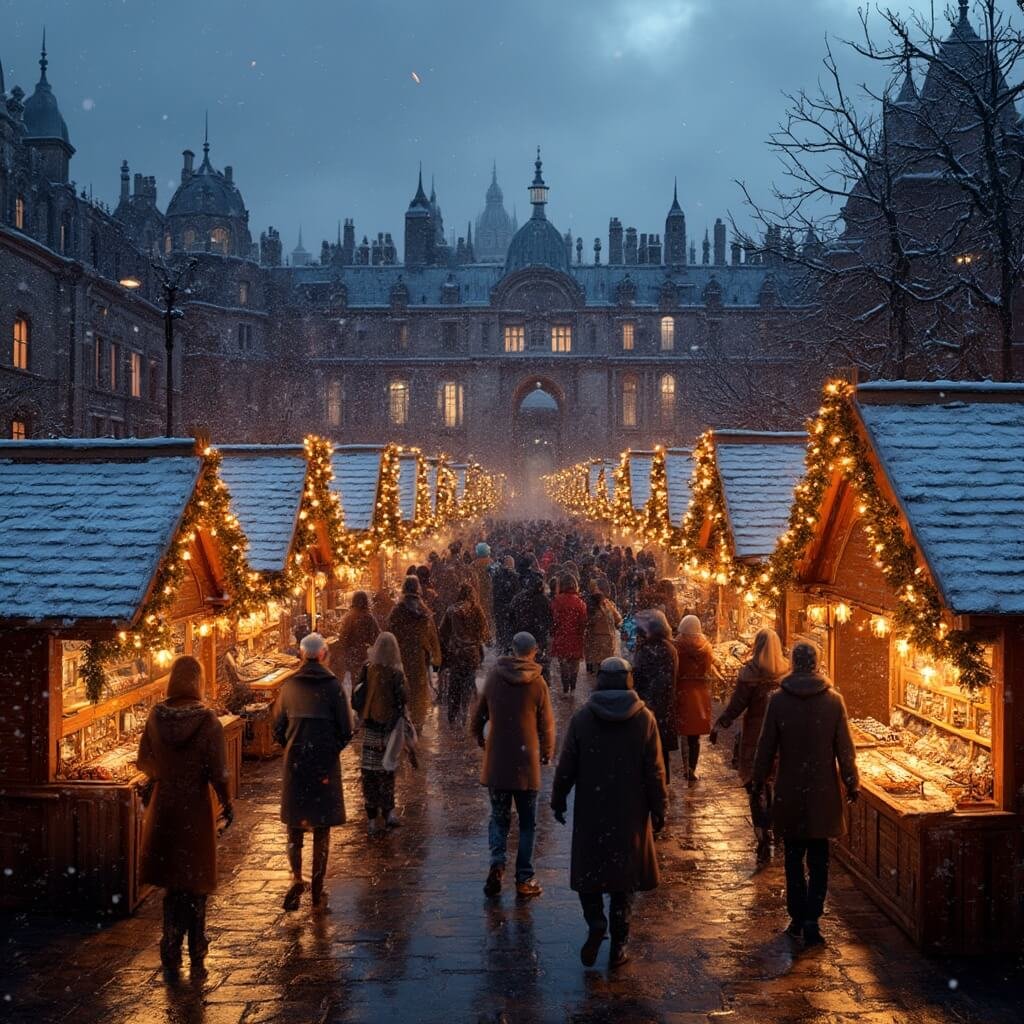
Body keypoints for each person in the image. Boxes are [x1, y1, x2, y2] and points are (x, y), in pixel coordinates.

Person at [551, 657, 667, 968]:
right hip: (630, 813)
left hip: (592, 810)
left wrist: (558, 799)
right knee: (623, 883)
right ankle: (618, 944)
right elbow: (655, 771)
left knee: (590, 875)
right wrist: (659, 809)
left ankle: (595, 922)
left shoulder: (583, 719)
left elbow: (566, 767)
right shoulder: (645, 720)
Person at [751, 642, 859, 946]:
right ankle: (813, 916)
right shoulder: (834, 702)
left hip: (790, 790)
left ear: (793, 663)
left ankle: (797, 916)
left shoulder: (778, 701)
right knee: (820, 858)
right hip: (823, 792)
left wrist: (758, 779)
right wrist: (852, 783)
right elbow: (845, 749)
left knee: (793, 858)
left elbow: (766, 745)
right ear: (817, 663)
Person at [138, 655, 233, 977]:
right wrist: (227, 803)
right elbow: (219, 771)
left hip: (165, 807)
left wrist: (167, 773)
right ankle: (196, 945)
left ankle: (170, 942)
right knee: (195, 881)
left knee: (173, 882)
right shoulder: (208, 722)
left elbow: (145, 762)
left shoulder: (155, 717)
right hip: (195, 807)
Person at [272, 632, 354, 912]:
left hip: (296, 764)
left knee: (295, 828)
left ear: (301, 655)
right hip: (323, 766)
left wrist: (293, 747)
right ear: (323, 654)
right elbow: (346, 729)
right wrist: (329, 750)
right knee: (321, 830)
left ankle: (296, 877)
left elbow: (278, 728)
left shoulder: (289, 686)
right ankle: (317, 892)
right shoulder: (333, 687)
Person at [471, 631, 555, 900]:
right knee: (528, 823)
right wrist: (547, 752)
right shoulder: (538, 683)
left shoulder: (495, 677)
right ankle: (524, 877)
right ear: (534, 651)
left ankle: (497, 863)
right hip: (526, 761)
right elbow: (547, 724)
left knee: (498, 816)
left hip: (498, 759)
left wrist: (481, 740)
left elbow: (479, 714)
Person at [710, 628, 789, 862]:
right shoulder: (787, 672)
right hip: (781, 738)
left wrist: (721, 723)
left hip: (755, 736)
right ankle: (776, 828)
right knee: (776, 783)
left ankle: (762, 833)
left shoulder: (749, 673)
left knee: (755, 785)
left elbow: (737, 705)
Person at [352, 632, 408, 834]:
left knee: (369, 773)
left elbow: (356, 698)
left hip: (370, 727)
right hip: (389, 729)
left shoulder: (367, 669)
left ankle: (371, 818)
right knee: (387, 772)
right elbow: (403, 699)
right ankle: (388, 812)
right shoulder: (396, 673)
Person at [387, 576, 442, 731]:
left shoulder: (397, 611)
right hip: (418, 658)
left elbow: (389, 634)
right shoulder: (424, 611)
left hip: (400, 659)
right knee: (418, 693)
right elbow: (432, 636)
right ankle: (417, 726)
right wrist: (436, 658)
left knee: (401, 691)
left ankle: (403, 725)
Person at [631, 610, 679, 784]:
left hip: (647, 707)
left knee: (648, 748)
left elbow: (639, 678)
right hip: (664, 708)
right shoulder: (669, 649)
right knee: (662, 750)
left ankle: (652, 784)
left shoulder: (647, 650)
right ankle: (663, 784)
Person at [674, 614, 719, 782]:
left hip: (683, 692)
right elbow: (708, 668)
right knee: (695, 736)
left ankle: (686, 767)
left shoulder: (677, 646)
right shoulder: (706, 647)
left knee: (684, 733)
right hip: (700, 694)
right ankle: (692, 768)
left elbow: (675, 669)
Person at [439, 583, 491, 726]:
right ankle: (465, 712)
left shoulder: (451, 610)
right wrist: (476, 638)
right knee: (468, 683)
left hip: (456, 654)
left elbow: (442, 632)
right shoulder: (477, 610)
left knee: (454, 685)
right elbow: (486, 633)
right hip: (472, 654)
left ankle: (452, 716)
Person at [332, 591, 380, 692]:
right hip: (363, 655)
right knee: (363, 682)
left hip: (351, 656)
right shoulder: (369, 617)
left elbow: (343, 638)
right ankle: (362, 702)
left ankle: (355, 701)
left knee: (354, 682)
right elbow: (377, 637)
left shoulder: (349, 617)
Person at [510, 574, 554, 682]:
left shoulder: (518, 598)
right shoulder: (544, 600)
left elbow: (511, 616)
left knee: (522, 660)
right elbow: (550, 619)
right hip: (539, 637)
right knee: (540, 661)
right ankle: (542, 682)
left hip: (522, 635)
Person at [551, 574, 588, 696]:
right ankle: (573, 687)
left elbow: (554, 620)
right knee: (574, 664)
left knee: (563, 664)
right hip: (576, 636)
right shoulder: (580, 603)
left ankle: (565, 688)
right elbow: (583, 622)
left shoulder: (557, 601)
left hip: (561, 636)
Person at [584, 590, 623, 673]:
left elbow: (586, 624)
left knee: (597, 667)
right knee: (607, 666)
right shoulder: (609, 608)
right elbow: (618, 619)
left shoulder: (592, 611)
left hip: (595, 641)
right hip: (609, 640)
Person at [491, 556, 520, 655]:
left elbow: (494, 593)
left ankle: (500, 650)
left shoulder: (497, 575)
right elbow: (516, 593)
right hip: (509, 608)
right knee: (509, 629)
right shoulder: (514, 577)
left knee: (500, 629)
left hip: (499, 608)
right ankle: (508, 649)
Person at [471, 542, 496, 637]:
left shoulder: (474, 564)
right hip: (490, 591)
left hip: (479, 592)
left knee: (482, 613)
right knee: (490, 613)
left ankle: (483, 633)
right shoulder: (492, 562)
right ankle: (490, 634)